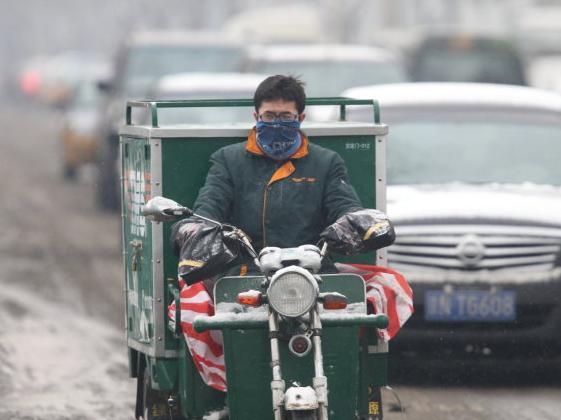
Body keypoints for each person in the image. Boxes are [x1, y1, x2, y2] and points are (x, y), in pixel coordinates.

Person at [169, 75, 409, 392]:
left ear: (301, 119)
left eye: (286, 117)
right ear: (256, 117)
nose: (277, 123)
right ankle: (233, 391)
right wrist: (195, 230)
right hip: (246, 276)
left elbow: (346, 207)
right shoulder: (228, 161)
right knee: (195, 306)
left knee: (380, 292)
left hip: (315, 277)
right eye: (270, 116)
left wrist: (353, 225)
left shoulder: (326, 163)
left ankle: (343, 389)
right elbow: (208, 207)